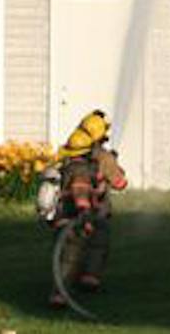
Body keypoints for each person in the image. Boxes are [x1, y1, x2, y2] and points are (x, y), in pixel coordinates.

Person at [50, 110, 128, 307]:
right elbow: (120, 183)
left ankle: (81, 281)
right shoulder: (101, 159)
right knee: (91, 247)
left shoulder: (66, 158)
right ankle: (66, 290)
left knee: (67, 253)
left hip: (64, 216)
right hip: (89, 215)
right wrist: (115, 170)